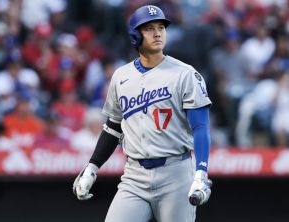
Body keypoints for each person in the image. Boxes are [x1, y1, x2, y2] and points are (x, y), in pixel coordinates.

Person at [73, 5, 212, 222]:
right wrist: (92, 166)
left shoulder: (185, 74)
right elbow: (114, 126)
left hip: (175, 172)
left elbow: (201, 127)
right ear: (135, 36)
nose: (157, 32)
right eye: (149, 28)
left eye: (161, 27)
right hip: (134, 176)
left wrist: (201, 171)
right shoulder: (121, 76)